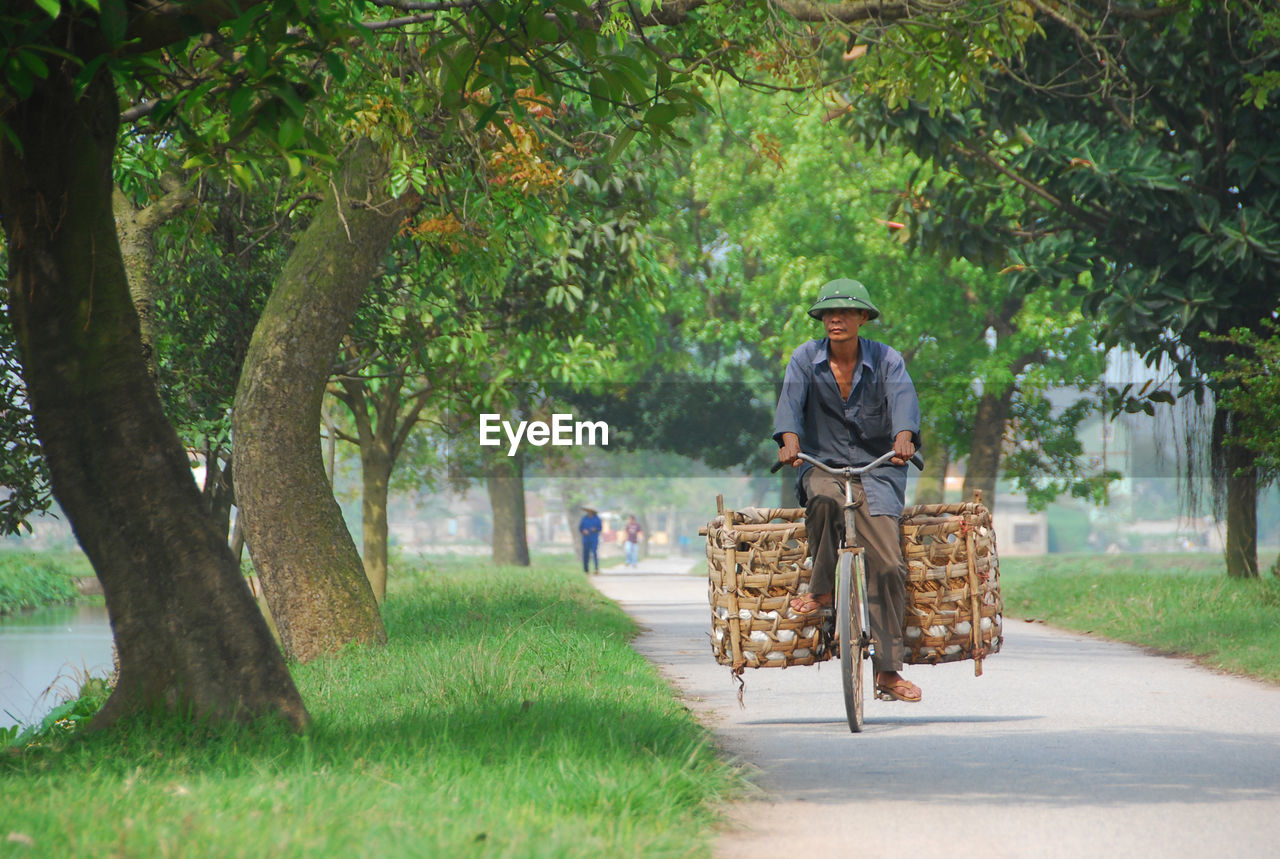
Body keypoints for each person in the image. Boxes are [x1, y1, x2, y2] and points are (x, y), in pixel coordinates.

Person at [773, 278, 924, 703]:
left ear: (863, 318)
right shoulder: (804, 359)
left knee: (890, 567)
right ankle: (822, 588)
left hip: (878, 470)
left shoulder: (888, 360)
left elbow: (905, 406)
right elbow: (788, 408)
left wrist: (904, 437)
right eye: (827, 313)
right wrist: (789, 443)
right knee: (820, 498)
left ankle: (889, 672)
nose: (835, 319)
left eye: (845, 312)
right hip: (823, 465)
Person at [578, 505, 602, 574]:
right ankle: (586, 570)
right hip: (586, 539)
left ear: (592, 511)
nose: (588, 512)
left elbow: (600, 528)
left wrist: (595, 529)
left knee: (594, 553)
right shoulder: (584, 519)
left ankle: (596, 568)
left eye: (589, 510)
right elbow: (580, 528)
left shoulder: (597, 519)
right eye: (587, 510)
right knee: (586, 554)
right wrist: (583, 531)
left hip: (594, 539)